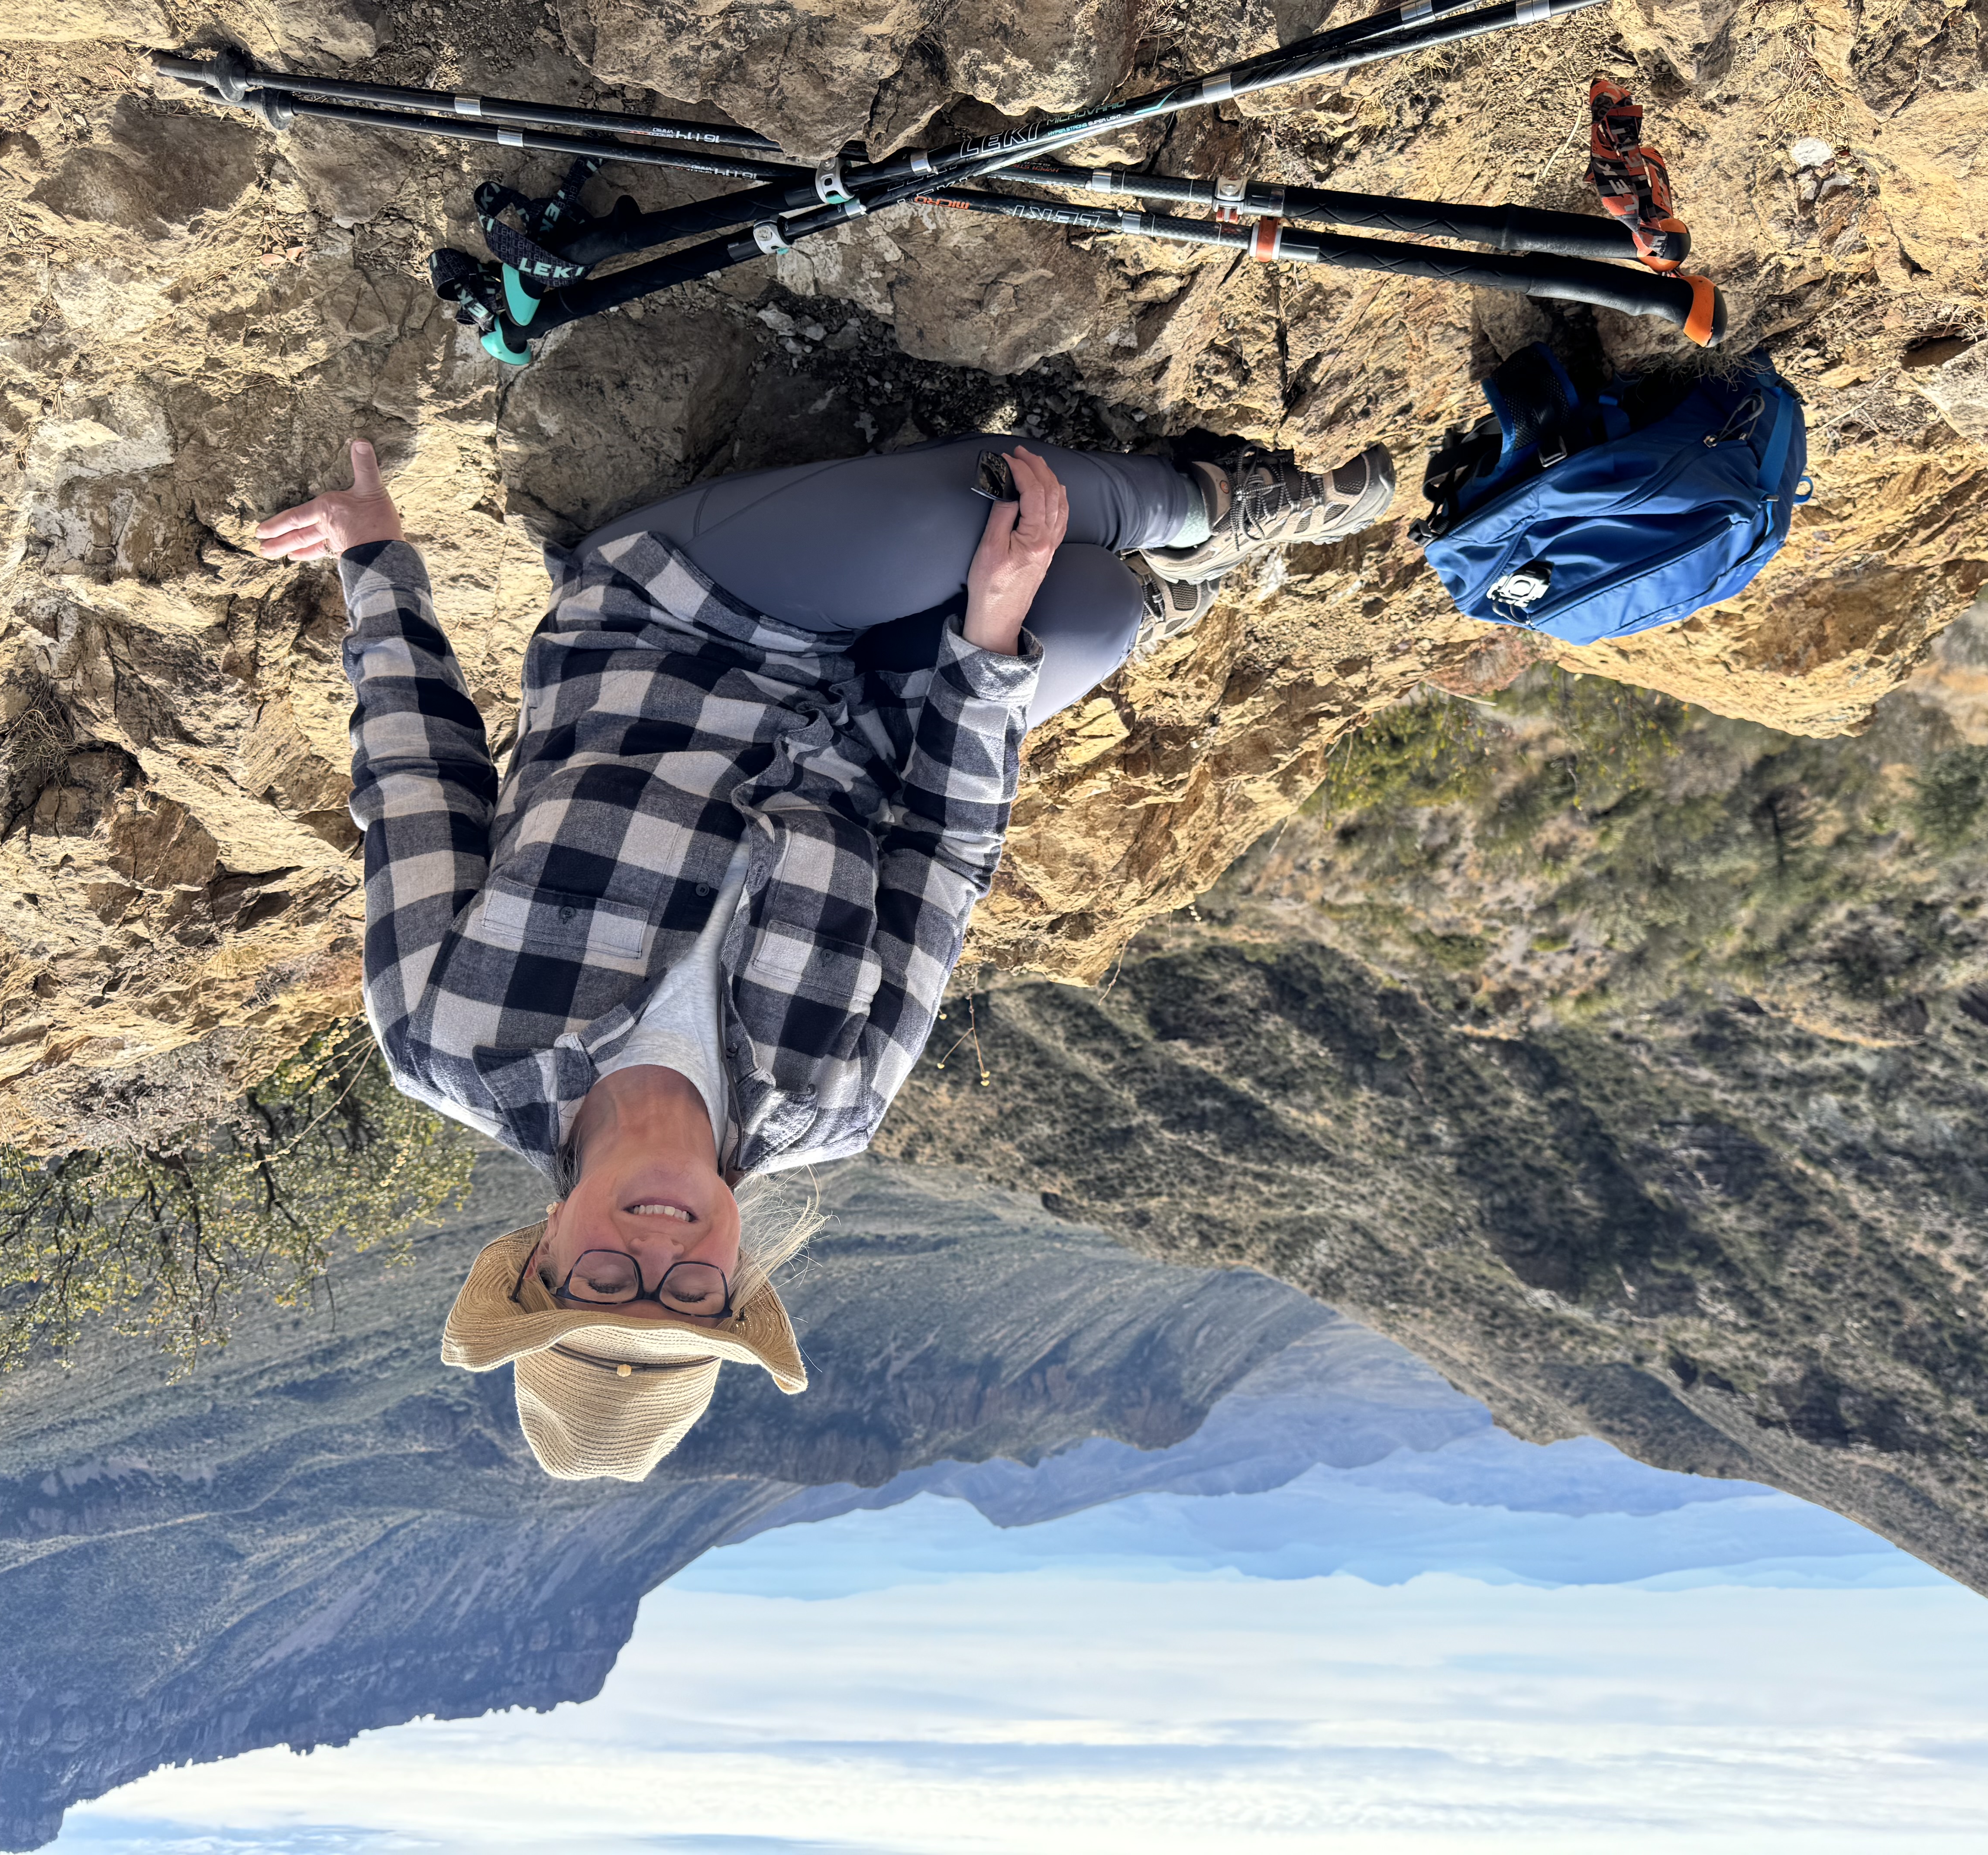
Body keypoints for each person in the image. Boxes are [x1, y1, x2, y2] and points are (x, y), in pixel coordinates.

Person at [255, 428, 1395, 1481]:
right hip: (879, 725)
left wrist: (378, 562)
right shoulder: (833, 1105)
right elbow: (942, 859)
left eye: (608, 1283)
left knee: (963, 515)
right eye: (693, 1294)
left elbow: (420, 786)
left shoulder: (448, 1037)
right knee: (1083, 606)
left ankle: (1225, 505)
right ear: (734, 1277)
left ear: (546, 1251)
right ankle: (1146, 572)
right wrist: (991, 644)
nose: (659, 1257)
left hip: (680, 625)